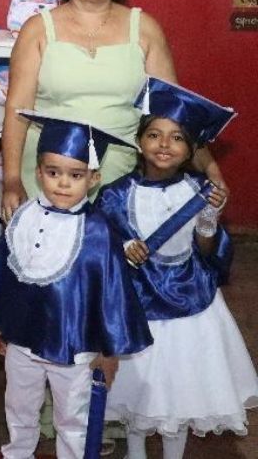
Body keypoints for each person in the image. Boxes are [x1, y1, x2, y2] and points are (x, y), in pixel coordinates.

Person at [0, 0, 226, 221]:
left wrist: (211, 169)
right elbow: (17, 110)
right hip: (50, 163)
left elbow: (173, 112)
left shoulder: (144, 28)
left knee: (111, 255)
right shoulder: (37, 28)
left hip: (117, 168)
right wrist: (13, 179)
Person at [0, 112, 154, 459]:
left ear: (93, 179)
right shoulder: (23, 217)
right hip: (22, 342)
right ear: (38, 173)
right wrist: (0, 325)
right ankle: (18, 453)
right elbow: (5, 276)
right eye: (53, 173)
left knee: (72, 419)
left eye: (75, 175)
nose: (63, 183)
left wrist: (108, 353)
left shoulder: (97, 230)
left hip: (74, 348)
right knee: (19, 408)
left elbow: (111, 293)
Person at [97, 78, 257, 459]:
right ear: (139, 142)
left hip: (189, 304)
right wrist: (124, 248)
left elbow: (206, 252)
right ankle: (134, 452)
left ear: (190, 150)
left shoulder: (199, 191)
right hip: (138, 306)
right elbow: (102, 242)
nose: (164, 145)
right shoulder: (116, 193)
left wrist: (207, 221)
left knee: (178, 395)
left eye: (177, 138)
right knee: (138, 393)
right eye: (154, 134)